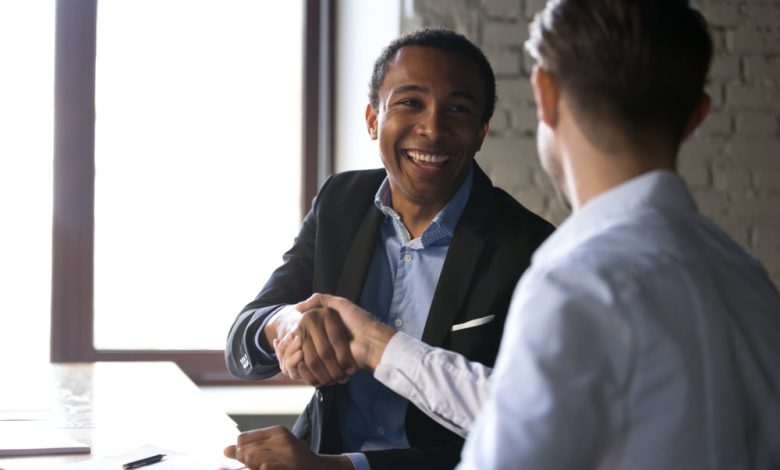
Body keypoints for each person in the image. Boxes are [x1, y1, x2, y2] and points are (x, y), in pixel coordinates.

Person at [275, 0, 780, 468]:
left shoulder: (574, 280)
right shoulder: (749, 282)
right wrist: (378, 345)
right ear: (697, 116)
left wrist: (375, 349)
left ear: (545, 94)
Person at [223, 28, 554, 470]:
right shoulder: (341, 201)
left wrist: (342, 468)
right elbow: (241, 341)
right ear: (372, 119)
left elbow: (519, 430)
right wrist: (286, 324)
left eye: (457, 109)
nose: (432, 129)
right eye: (410, 102)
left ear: (481, 132)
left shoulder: (532, 250)